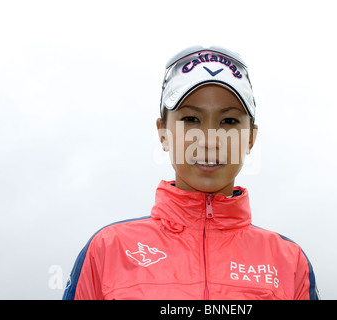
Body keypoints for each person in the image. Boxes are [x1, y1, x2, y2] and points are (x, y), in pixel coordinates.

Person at [63, 46, 319, 300]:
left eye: (229, 121)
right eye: (191, 120)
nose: (209, 140)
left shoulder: (289, 261)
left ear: (251, 138)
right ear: (163, 132)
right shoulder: (107, 250)